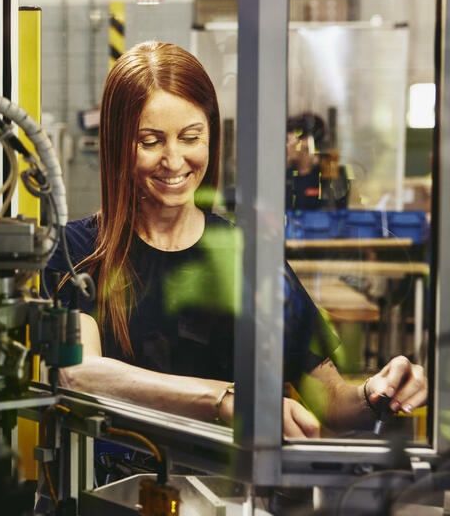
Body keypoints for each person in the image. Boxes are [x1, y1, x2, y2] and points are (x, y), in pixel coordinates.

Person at [48, 41, 426, 438]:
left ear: (211, 134)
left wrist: (376, 392)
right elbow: (77, 372)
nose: (174, 160)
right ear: (116, 144)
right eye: (151, 141)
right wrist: (228, 401)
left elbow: (332, 405)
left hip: (229, 495)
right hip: (109, 495)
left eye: (191, 137)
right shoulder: (79, 250)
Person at [286, 112, 350, 210]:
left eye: (287, 140)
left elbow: (335, 213)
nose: (285, 146)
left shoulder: (331, 173)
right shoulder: (287, 177)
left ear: (306, 141)